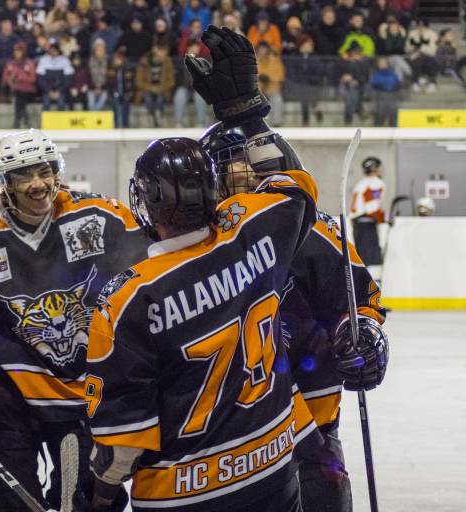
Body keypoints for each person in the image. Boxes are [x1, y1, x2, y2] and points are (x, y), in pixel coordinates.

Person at [78, 26, 325, 512]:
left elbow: (123, 444)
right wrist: (248, 114)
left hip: (183, 493)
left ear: (147, 203)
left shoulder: (129, 300)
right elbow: (293, 184)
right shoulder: (257, 227)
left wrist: (100, 494)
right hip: (274, 470)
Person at [0, 128, 150, 511]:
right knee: (3, 502)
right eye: (24, 175)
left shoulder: (100, 215)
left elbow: (156, 269)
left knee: (88, 502)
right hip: (5, 390)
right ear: (5, 183)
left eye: (45, 170)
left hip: (81, 393)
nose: (38, 184)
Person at [202, 124, 389, 512]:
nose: (249, 170)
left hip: (311, 425)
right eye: (238, 160)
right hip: (230, 438)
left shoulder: (312, 228)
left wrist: (362, 336)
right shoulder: (200, 243)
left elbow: (360, 299)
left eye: (255, 160)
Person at [350, 156, 386, 269]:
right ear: (375, 169)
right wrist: (385, 218)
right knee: (372, 262)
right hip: (367, 226)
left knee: (361, 260)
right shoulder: (376, 183)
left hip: (357, 225)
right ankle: (372, 285)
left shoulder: (360, 184)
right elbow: (372, 208)